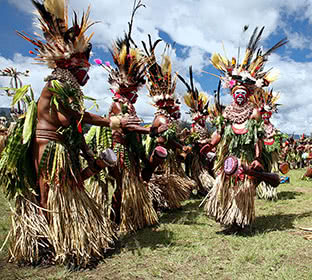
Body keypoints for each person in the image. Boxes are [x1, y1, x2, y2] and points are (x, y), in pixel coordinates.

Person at [0, 0, 139, 267]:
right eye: (84, 70)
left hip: (62, 146)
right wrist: (112, 121)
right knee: (49, 192)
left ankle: (69, 240)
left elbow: (74, 126)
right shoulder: (56, 85)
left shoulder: (70, 89)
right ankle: (49, 242)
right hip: (48, 146)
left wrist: (89, 155)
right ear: (73, 67)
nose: (87, 76)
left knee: (71, 185)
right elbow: (76, 117)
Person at [201, 27, 286, 232]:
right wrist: (208, 145)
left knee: (244, 187)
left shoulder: (254, 113)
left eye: (243, 93)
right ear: (232, 94)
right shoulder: (226, 113)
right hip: (230, 157)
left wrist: (257, 157)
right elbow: (219, 133)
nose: (240, 96)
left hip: (247, 157)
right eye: (237, 92)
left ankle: (241, 219)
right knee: (226, 185)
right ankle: (228, 217)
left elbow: (257, 138)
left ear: (247, 95)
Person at [90, 3, 159, 233]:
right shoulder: (118, 104)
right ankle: (114, 219)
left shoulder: (128, 104)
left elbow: (132, 125)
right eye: (133, 90)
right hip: (120, 152)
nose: (135, 94)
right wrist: (148, 130)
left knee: (131, 184)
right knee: (120, 186)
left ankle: (130, 217)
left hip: (130, 151)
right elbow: (127, 127)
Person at [143, 39, 195, 211]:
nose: (174, 104)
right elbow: (165, 139)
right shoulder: (161, 118)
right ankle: (158, 204)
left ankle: (166, 203)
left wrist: (181, 141)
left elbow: (170, 137)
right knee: (160, 178)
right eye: (171, 102)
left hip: (166, 154)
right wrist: (180, 146)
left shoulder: (167, 119)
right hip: (159, 155)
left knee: (167, 178)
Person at [178, 67, 215, 196]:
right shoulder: (194, 127)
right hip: (196, 154)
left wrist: (209, 141)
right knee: (197, 171)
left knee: (204, 170)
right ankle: (200, 188)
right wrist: (201, 141)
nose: (203, 117)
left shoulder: (203, 126)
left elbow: (207, 137)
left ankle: (202, 188)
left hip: (203, 153)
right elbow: (193, 140)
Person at [251, 88, 285, 200]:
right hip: (262, 150)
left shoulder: (272, 127)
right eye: (263, 115)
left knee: (272, 168)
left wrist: (274, 136)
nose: (265, 117)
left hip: (272, 151)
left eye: (268, 115)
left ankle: (271, 191)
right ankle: (261, 190)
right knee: (262, 169)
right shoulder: (257, 126)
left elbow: (276, 136)